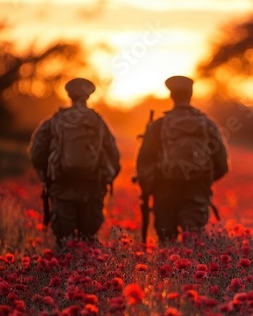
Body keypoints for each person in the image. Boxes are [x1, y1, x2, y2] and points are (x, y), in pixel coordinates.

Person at [29, 77, 120, 247]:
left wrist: (48, 177)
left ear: (69, 95)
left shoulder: (54, 120)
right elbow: (114, 153)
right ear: (88, 96)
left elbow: (36, 153)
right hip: (92, 187)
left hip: (62, 186)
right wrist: (106, 179)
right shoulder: (98, 121)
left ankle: (64, 271)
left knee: (64, 241)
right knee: (89, 240)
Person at [136, 75, 228, 243]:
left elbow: (143, 163)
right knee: (193, 243)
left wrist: (151, 185)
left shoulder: (158, 126)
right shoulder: (208, 124)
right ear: (191, 94)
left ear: (171, 95)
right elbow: (222, 164)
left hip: (165, 191)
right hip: (196, 190)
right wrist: (201, 179)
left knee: (166, 243)